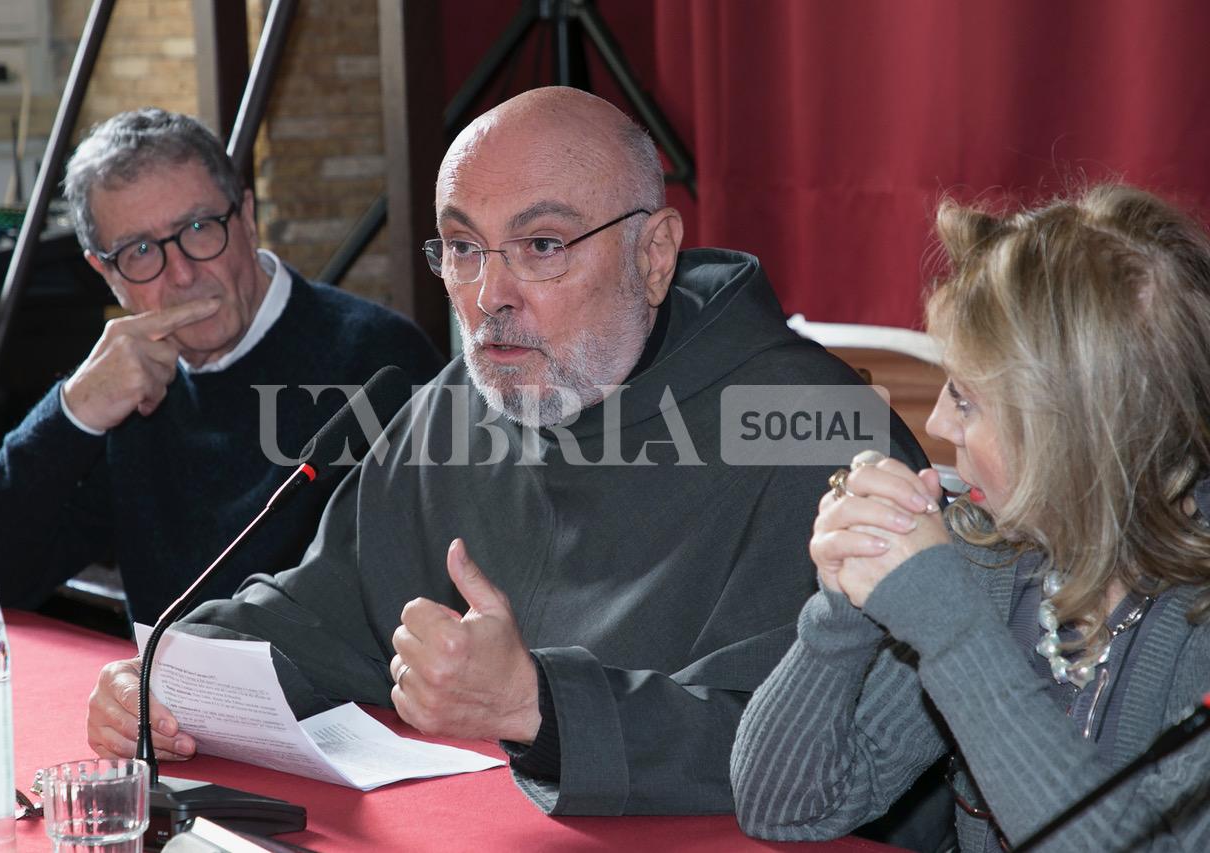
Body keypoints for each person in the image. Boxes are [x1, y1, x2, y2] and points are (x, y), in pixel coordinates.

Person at [84, 87, 930, 817]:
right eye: (462, 247)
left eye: (543, 246)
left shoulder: (812, 427)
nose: (489, 296)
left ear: (655, 255)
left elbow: (830, 751)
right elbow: (325, 610)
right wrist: (171, 675)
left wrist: (540, 706)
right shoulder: (453, 406)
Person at [731, 184, 1210, 850]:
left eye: (966, 399)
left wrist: (950, 629)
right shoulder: (998, 552)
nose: (934, 422)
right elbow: (782, 806)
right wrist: (841, 612)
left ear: (1075, 431)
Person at [0, 108, 443, 626]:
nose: (182, 273)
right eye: (140, 250)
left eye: (197, 228)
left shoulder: (378, 362)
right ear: (104, 273)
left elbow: (421, 601)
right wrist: (72, 414)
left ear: (246, 217)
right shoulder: (125, 389)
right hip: (163, 699)